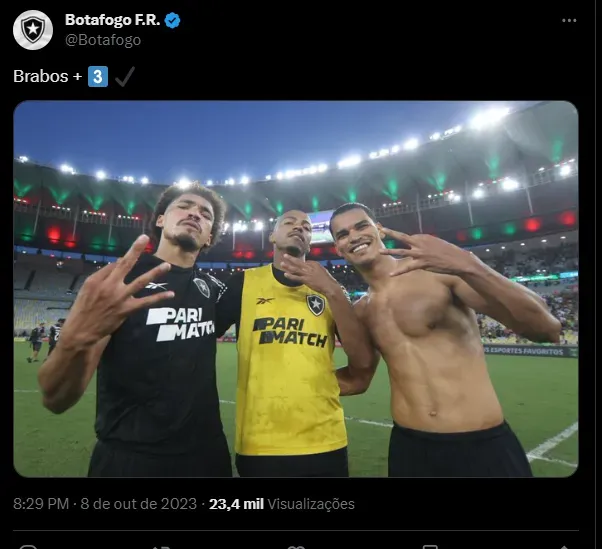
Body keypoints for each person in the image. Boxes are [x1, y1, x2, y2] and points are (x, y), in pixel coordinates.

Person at [325, 202, 562, 477]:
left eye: (361, 226)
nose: (354, 236)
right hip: (409, 448)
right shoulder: (361, 311)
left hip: (479, 444)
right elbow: (358, 380)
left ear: (379, 229)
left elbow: (546, 329)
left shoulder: (436, 273)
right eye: (343, 234)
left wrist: (469, 264)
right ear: (338, 248)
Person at [38, 182, 233, 478]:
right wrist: (75, 340)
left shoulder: (216, 291)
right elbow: (55, 399)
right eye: (184, 206)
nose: (195, 213)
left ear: (209, 237)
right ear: (160, 220)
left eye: (206, 214)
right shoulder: (119, 282)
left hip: (208, 457)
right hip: (130, 459)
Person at [215, 210, 377, 477]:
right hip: (260, 442)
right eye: (289, 222)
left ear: (310, 242)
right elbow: (200, 337)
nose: (299, 227)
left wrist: (333, 290)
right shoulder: (243, 283)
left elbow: (363, 363)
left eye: (306, 227)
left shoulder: (332, 289)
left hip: (325, 439)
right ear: (272, 236)